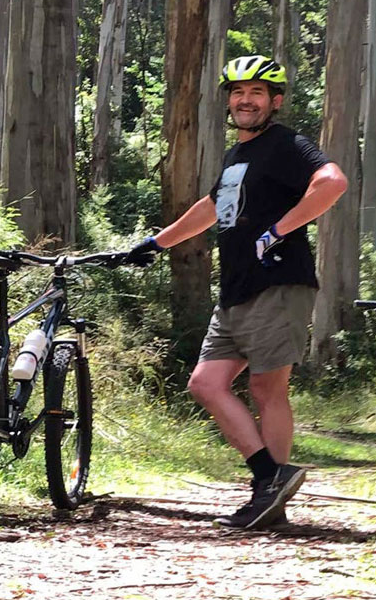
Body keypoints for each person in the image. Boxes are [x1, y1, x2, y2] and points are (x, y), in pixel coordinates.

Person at [122, 54, 349, 530]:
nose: (245, 101)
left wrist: (280, 230)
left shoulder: (286, 145)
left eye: (257, 93)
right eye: (238, 93)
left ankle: (271, 503)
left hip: (279, 282)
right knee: (205, 383)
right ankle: (271, 476)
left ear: (276, 101)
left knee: (267, 387)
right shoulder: (237, 156)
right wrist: (157, 243)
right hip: (237, 289)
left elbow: (333, 182)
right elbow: (212, 206)